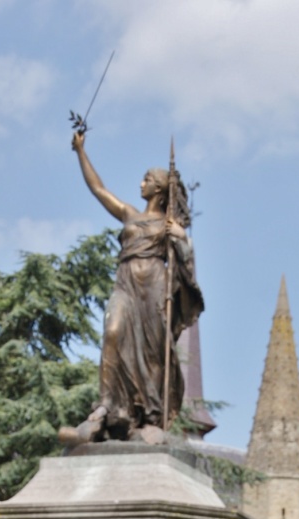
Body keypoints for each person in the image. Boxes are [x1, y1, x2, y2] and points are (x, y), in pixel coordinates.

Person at [59, 131, 204, 446]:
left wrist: (180, 237)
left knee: (153, 354)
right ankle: (103, 411)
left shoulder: (168, 227)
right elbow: (98, 189)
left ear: (158, 188)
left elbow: (186, 269)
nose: (141, 184)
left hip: (153, 287)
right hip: (125, 283)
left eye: (146, 179)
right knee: (112, 331)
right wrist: (81, 152)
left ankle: (151, 418)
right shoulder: (129, 215)